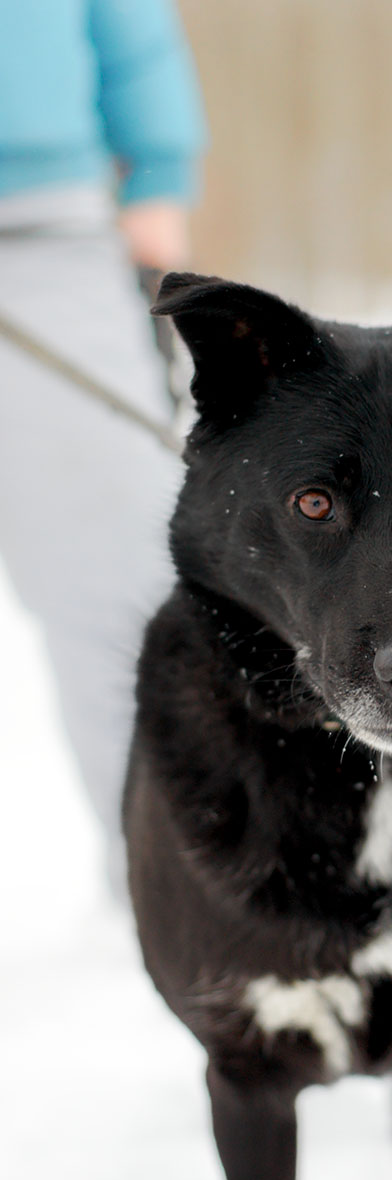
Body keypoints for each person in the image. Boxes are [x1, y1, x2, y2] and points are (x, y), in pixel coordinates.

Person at [0, 0, 207, 894]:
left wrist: (159, 168)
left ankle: (172, 867)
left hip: (42, 227)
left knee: (120, 576)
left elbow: (129, 22)